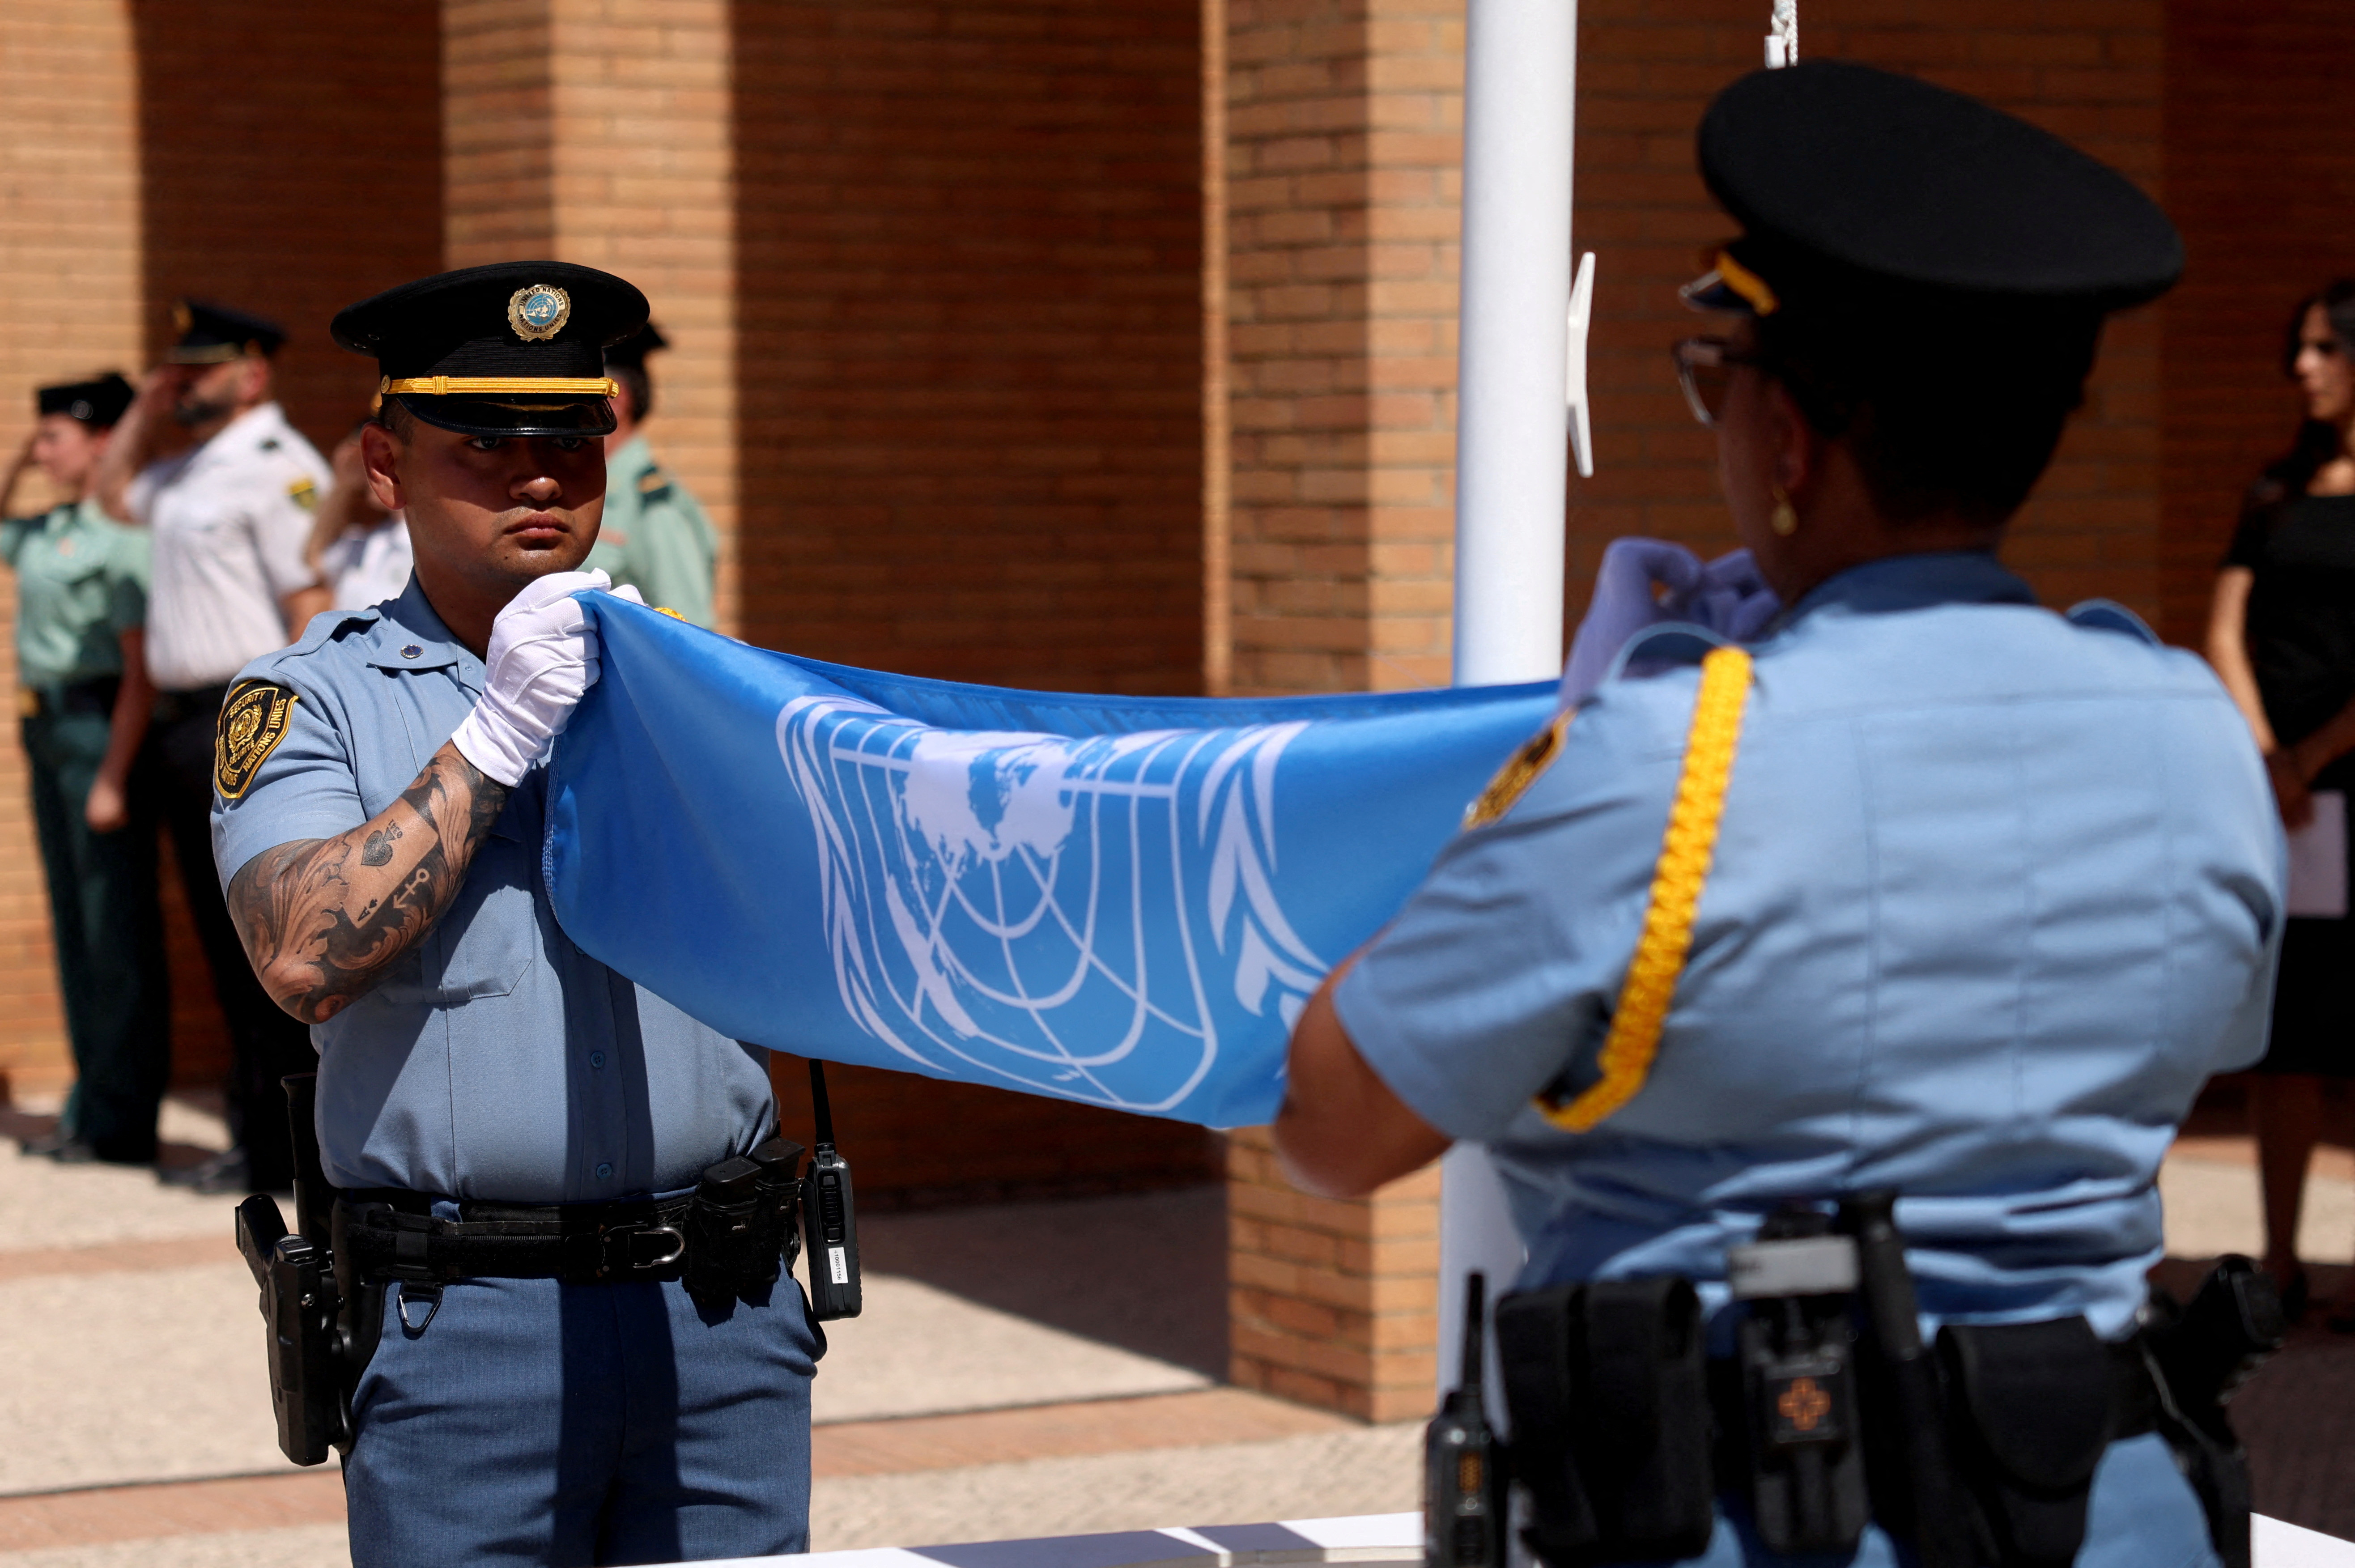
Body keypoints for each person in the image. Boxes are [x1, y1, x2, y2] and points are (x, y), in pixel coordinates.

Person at [1275, 62, 2281, 1568]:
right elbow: (2211, 1044)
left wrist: (1573, 744)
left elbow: (1335, 1121)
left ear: (1794, 444)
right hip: (2109, 1504)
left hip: (1757, 1507)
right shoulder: (2194, 733)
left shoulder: (1672, 757)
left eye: (1715, 378)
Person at [212, 261, 816, 1566]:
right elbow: (300, 954)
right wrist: (494, 739)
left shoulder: (697, 681)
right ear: (385, 460)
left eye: (567, 438)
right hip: (464, 1317)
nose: (536, 476)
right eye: (482, 443)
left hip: (715, 1311)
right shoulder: (311, 698)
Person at [92, 301, 332, 1195]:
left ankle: (292, 1157)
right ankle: (259, 1144)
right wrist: (143, 411)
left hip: (247, 720)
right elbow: (111, 498)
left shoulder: (277, 469)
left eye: (202, 368)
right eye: (177, 367)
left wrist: (287, 736)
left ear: (254, 373)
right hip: (184, 725)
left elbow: (309, 598)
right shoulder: (189, 464)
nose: (184, 380)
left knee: (264, 948)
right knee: (223, 950)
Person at [2205, 278, 2355, 1332]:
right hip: (2287, 798)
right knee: (2289, 1028)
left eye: (2321, 348)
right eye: (2296, 347)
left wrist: (2318, 751)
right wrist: (2271, 757)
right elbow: (2224, 628)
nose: (2301, 366)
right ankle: (2284, 1256)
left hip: (2340, 775)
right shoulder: (2273, 487)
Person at [1, 373, 170, 1164]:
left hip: (101, 730)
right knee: (77, 929)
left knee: (113, 933)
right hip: (47, 732)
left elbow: (140, 671)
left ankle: (121, 1120)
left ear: (101, 440)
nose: (42, 450)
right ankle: (90, 1102)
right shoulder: (47, 527)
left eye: (55, 437)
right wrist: (23, 462)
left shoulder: (122, 535)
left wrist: (111, 775)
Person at [583, 322, 719, 626]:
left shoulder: (655, 506)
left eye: (580, 395)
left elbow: (689, 631)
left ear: (615, 401)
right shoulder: (590, 490)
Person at [308, 421, 414, 609]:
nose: (369, 473)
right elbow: (314, 562)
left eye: (379, 462)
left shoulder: (426, 545)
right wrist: (343, 486)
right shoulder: (370, 541)